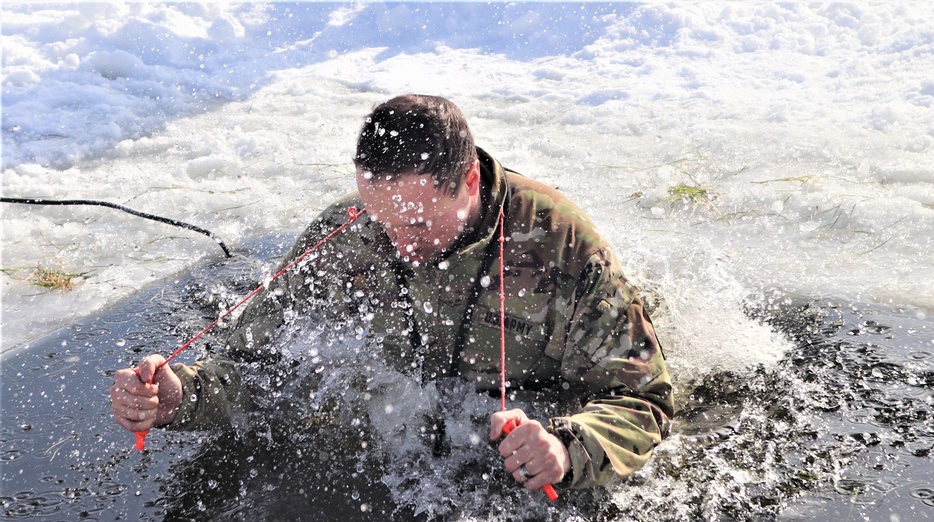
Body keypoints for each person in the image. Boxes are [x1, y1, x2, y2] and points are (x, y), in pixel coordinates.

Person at [111, 94, 674, 492]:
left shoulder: (559, 244)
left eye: (420, 228)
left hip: (525, 435)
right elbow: (255, 361)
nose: (400, 247)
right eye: (384, 224)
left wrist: (567, 449)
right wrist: (178, 395)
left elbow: (646, 399)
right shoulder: (348, 228)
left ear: (470, 182)